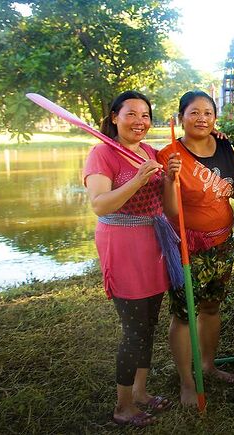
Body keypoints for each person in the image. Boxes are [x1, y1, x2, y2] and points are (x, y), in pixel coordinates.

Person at [156, 91, 234, 405]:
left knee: (211, 307)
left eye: (208, 112)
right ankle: (187, 381)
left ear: (215, 118)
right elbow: (171, 211)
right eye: (194, 112)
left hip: (222, 243)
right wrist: (170, 178)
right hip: (187, 247)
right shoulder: (169, 155)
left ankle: (208, 365)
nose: (201, 118)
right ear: (181, 117)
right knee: (184, 314)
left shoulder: (221, 145)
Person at [84, 91, 181, 427]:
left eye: (145, 115)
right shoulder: (102, 154)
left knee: (149, 323)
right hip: (121, 244)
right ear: (114, 117)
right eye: (131, 114)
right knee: (134, 329)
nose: (139, 121)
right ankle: (122, 406)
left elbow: (168, 209)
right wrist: (139, 178)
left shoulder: (152, 153)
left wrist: (170, 179)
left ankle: (140, 392)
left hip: (155, 243)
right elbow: (100, 204)